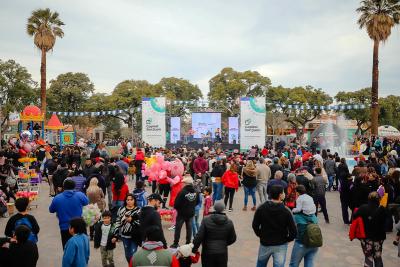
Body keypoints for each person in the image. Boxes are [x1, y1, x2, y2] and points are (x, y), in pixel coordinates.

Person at [252, 185, 297, 267]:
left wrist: (261, 235)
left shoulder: (261, 208)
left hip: (265, 242)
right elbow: (294, 230)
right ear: (280, 195)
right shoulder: (286, 211)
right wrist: (288, 239)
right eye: (283, 193)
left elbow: (255, 225)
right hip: (280, 244)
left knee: (261, 264)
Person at [192, 201, 237, 267]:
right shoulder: (229, 222)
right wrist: (223, 243)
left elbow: (199, 236)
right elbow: (233, 238)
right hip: (222, 253)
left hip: (207, 252)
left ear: (214, 208)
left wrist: (194, 248)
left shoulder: (206, 220)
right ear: (223, 209)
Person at [49, 179, 89, 250]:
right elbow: (87, 202)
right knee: (82, 250)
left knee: (68, 250)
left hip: (65, 228)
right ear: (74, 187)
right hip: (80, 226)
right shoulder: (80, 195)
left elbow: (51, 210)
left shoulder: (57, 198)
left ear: (63, 187)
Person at [353, 192, 388, 267]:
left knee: (368, 257)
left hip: (367, 235)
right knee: (378, 257)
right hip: (379, 235)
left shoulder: (363, 208)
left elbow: (355, 215)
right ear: (379, 199)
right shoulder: (383, 209)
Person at [288, 187, 320, 267]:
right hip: (314, 244)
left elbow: (289, 231)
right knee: (309, 263)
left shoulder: (297, 218)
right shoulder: (314, 218)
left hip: (301, 244)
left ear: (298, 192)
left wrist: (293, 211)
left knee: (293, 264)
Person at [171, 177, 200, 248]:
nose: (182, 184)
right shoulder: (196, 191)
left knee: (178, 228)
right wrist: (192, 206)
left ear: (186, 183)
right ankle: (188, 242)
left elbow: (176, 203)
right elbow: (198, 201)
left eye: (183, 183)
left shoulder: (182, 192)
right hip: (191, 212)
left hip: (182, 213)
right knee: (189, 228)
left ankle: (176, 243)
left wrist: (179, 209)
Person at [112, 193, 141, 263]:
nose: (129, 201)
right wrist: (115, 235)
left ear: (134, 200)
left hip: (135, 236)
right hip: (125, 236)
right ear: (125, 201)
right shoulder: (121, 210)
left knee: (132, 255)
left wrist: (131, 221)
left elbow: (141, 223)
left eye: (131, 200)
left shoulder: (138, 210)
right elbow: (118, 222)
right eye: (128, 200)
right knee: (127, 256)